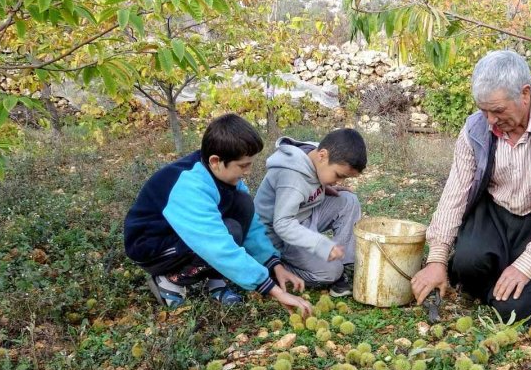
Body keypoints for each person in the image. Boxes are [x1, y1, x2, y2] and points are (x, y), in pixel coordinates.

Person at [411, 50, 531, 324]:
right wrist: (437, 259)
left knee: (511, 310)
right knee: (465, 264)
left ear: (525, 94)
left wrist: (528, 265)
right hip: (496, 214)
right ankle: (501, 279)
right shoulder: (475, 128)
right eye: (483, 110)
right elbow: (456, 191)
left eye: (497, 110)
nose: (490, 120)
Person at [123, 113, 312, 315]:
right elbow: (215, 244)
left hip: (185, 235)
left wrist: (274, 265)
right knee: (229, 231)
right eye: (243, 165)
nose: (248, 172)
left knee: (243, 204)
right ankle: (169, 280)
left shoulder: (224, 176)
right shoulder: (190, 185)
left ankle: (215, 279)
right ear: (215, 161)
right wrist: (271, 289)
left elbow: (253, 228)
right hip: (153, 246)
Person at [254, 128, 367, 296]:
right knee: (330, 272)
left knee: (348, 201)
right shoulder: (291, 176)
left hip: (304, 217)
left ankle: (344, 264)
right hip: (278, 236)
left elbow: (308, 184)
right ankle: (274, 268)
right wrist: (320, 245)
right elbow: (283, 224)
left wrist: (325, 187)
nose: (340, 180)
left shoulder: (314, 154)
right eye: (338, 175)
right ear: (322, 155)